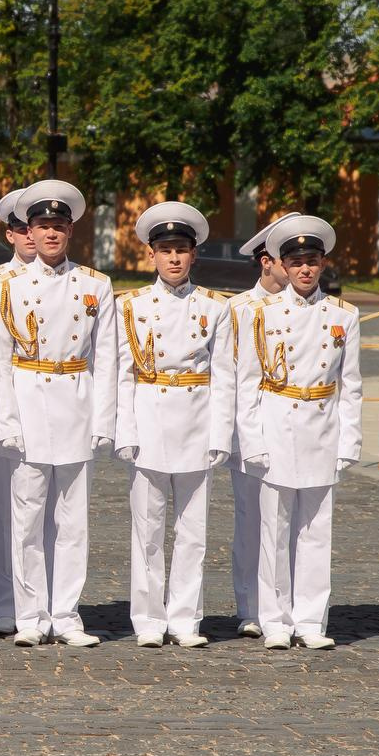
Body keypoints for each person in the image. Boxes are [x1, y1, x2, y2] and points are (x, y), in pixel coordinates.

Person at [0, 179, 114, 648]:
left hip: (76, 405)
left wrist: (104, 420)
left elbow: (107, 359)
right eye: (42, 226)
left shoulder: (94, 284)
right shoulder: (5, 285)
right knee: (25, 520)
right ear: (30, 231)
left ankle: (66, 613)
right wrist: (4, 419)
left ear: (70, 231)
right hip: (27, 403)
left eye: (59, 226)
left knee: (71, 521)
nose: (51, 234)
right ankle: (30, 615)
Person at [235, 213, 362, 650]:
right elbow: (248, 384)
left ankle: (311, 621)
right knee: (273, 530)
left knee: (316, 531)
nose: (305, 269)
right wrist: (250, 440)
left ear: (323, 264)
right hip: (277, 425)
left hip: (322, 427)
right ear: (282, 267)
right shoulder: (261, 313)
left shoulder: (344, 314)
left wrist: (350, 440)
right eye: (296, 261)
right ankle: (274, 620)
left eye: (312, 260)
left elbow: (352, 384)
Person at [114, 202, 231, 649]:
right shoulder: (131, 306)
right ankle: (147, 618)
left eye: (182, 250)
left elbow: (224, 377)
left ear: (194, 254)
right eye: (166, 250)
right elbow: (123, 374)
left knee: (193, 531)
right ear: (151, 256)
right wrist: (124, 430)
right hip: (150, 419)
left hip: (197, 421)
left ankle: (185, 618)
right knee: (147, 529)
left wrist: (221, 434)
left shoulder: (215, 307)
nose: (175, 259)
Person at [224, 220, 286, 638]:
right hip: (247, 428)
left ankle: (285, 603)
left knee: (288, 521)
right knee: (251, 521)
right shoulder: (239, 309)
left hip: (294, 426)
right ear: (266, 262)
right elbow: (227, 376)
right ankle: (250, 604)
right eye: (288, 257)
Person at [0, 189, 35, 637]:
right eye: (20, 229)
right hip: (7, 410)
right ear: (11, 234)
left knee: (47, 516)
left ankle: (44, 602)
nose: (30, 237)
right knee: (6, 514)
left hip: (55, 408)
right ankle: (6, 601)